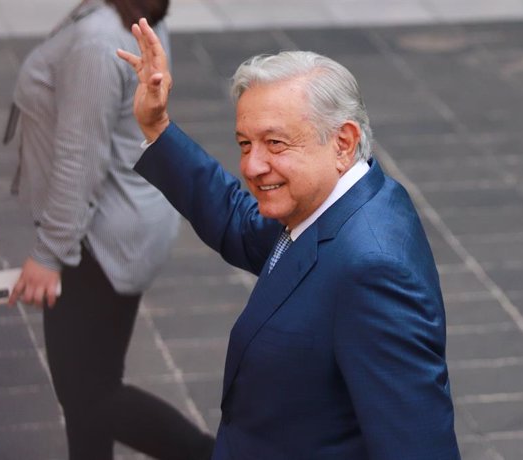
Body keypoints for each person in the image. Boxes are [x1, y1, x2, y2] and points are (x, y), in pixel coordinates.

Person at [117, 18, 461, 459]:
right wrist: (157, 126)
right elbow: (242, 227)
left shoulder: (372, 270)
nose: (252, 165)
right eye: (244, 143)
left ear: (343, 142)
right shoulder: (340, 199)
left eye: (275, 143)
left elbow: (417, 447)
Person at [6, 3, 215, 459]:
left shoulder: (100, 41)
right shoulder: (134, 13)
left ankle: (212, 454)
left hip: (98, 240)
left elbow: (81, 160)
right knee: (93, 388)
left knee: (89, 395)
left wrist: (48, 253)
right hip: (129, 221)